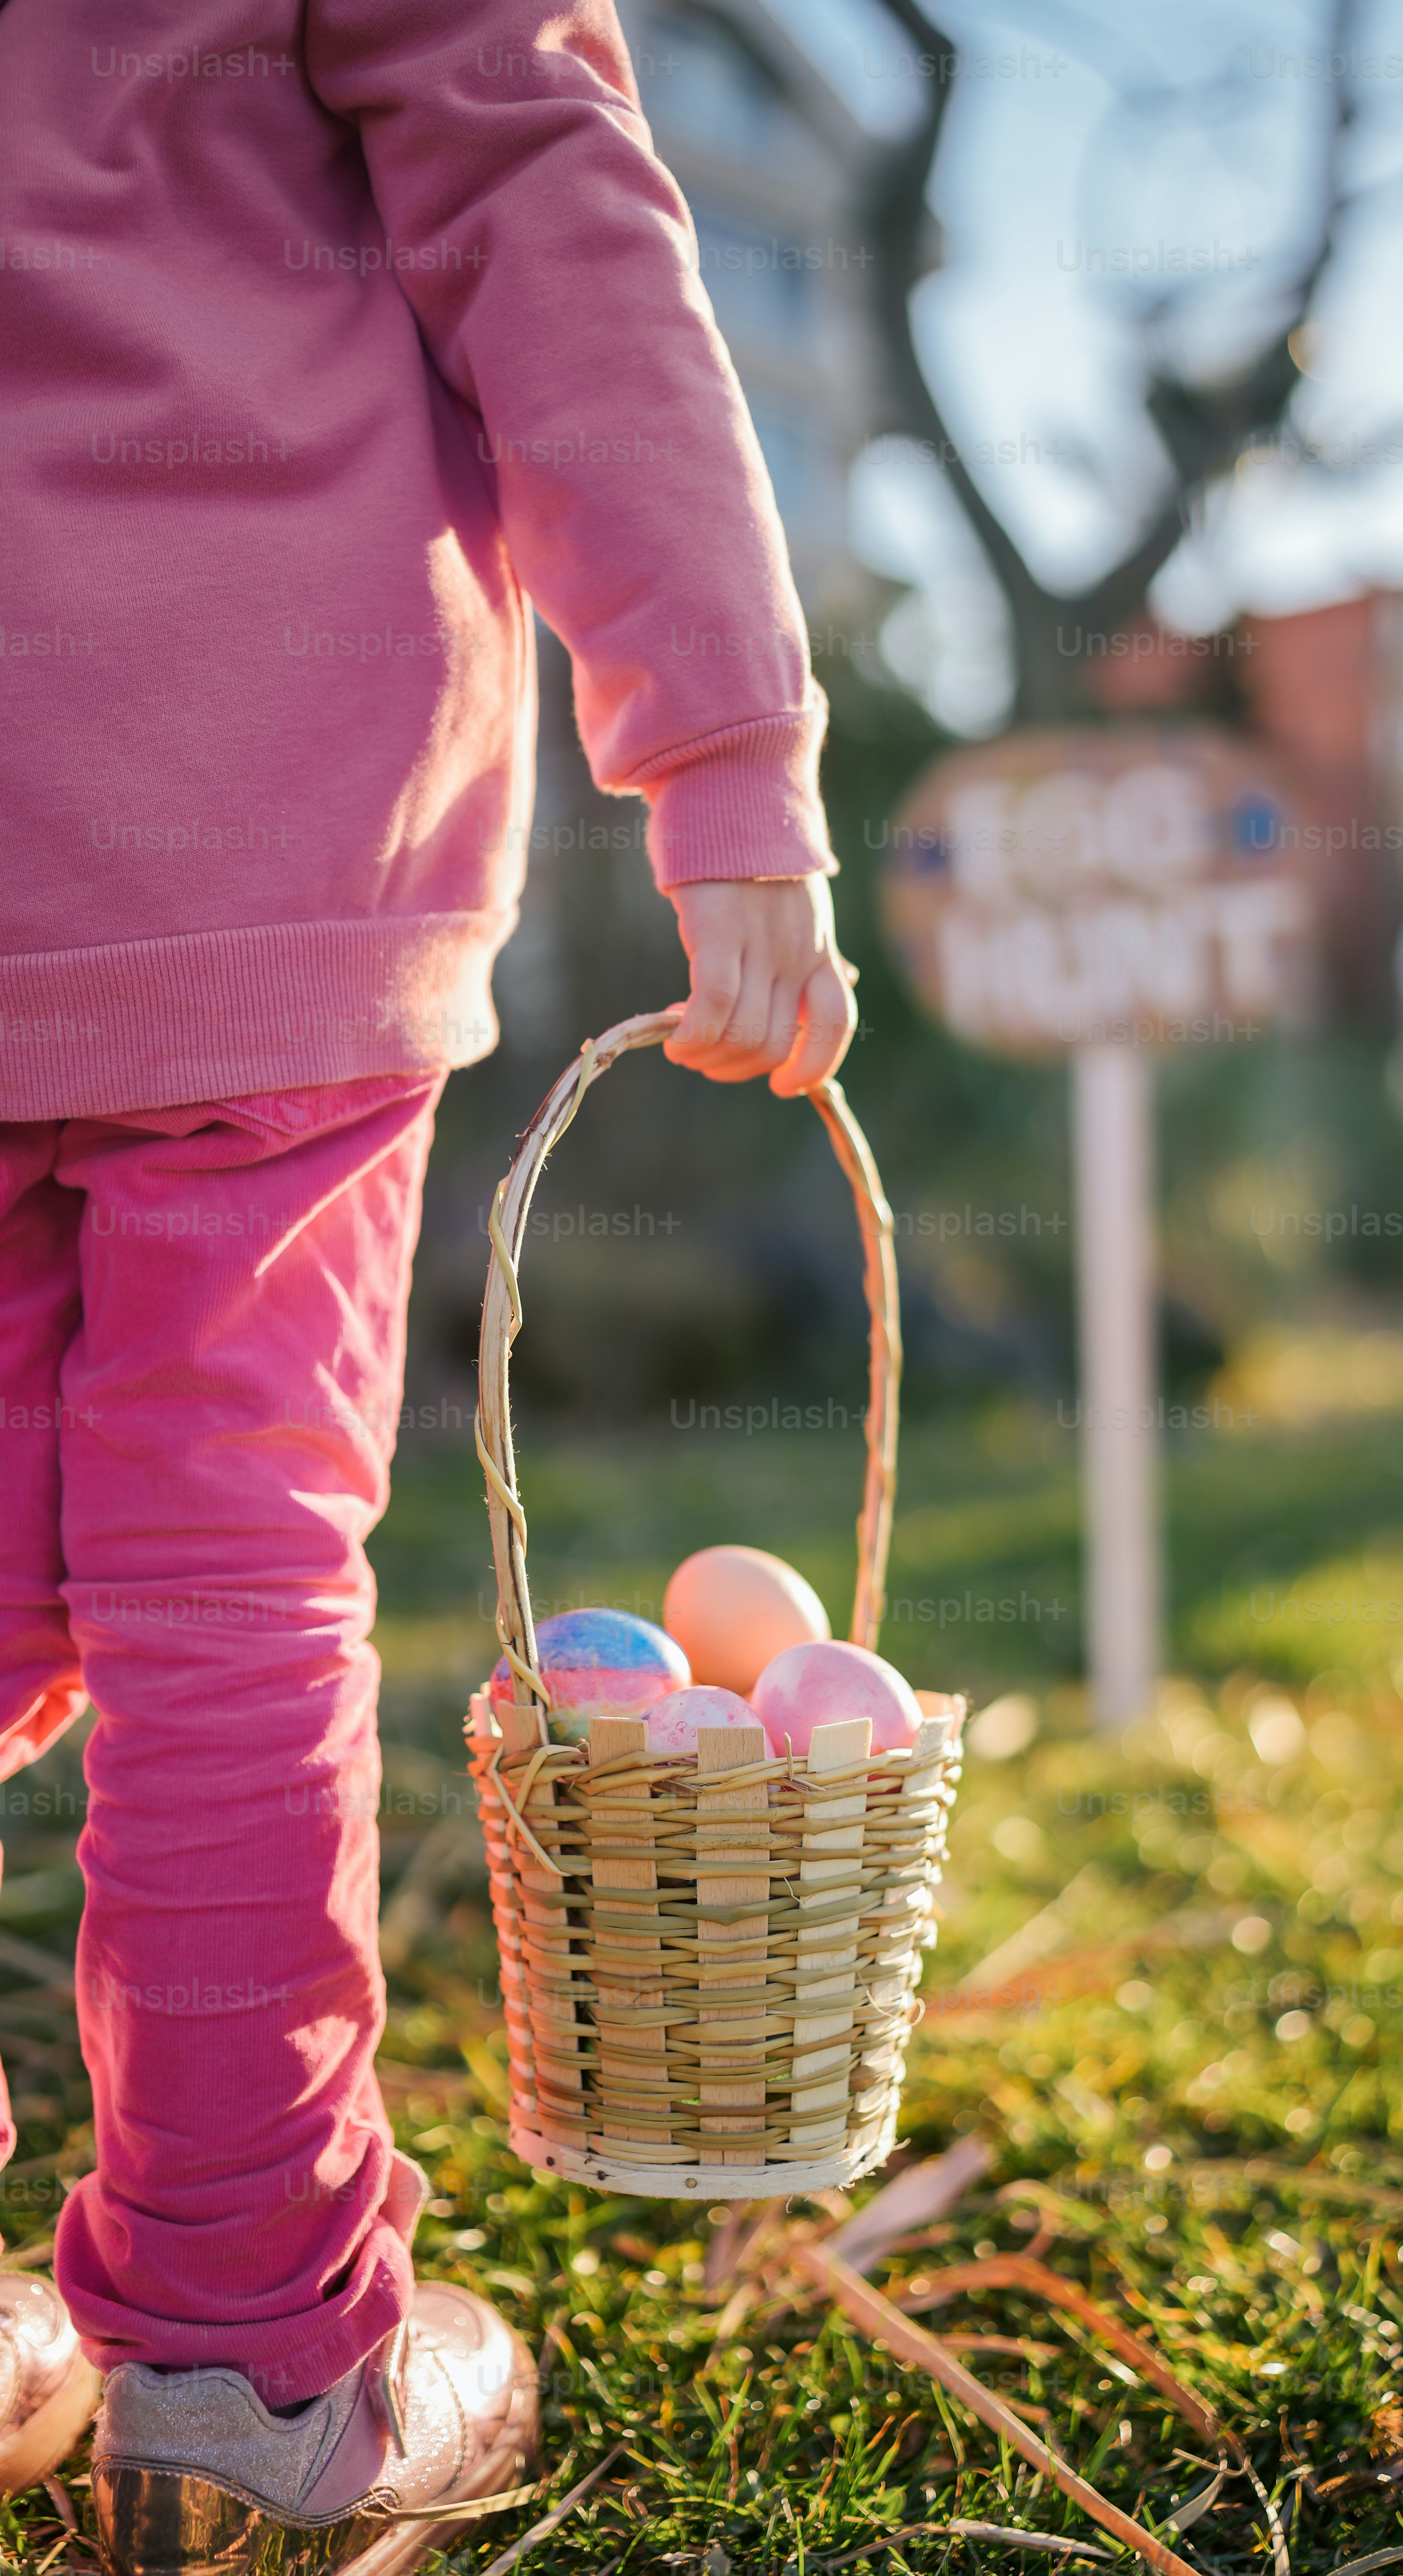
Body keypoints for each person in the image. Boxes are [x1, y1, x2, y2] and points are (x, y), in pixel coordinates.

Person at [0, 1, 856, 2565]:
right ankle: (259, 2354)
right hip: (261, 830)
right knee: (231, 1591)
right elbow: (555, 217)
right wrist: (724, 764)